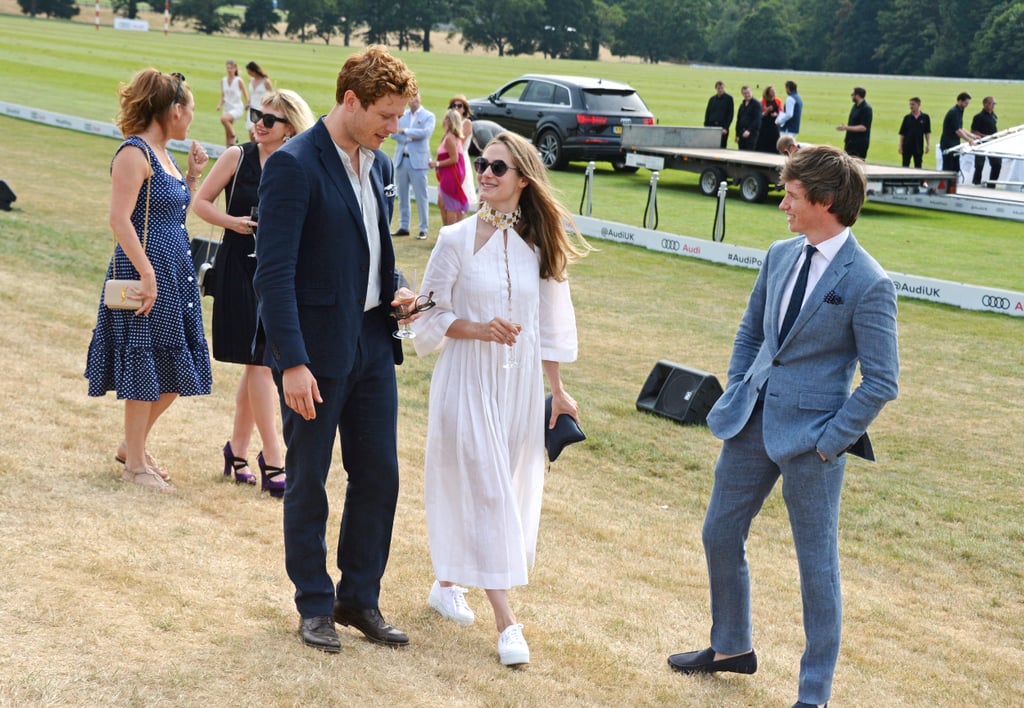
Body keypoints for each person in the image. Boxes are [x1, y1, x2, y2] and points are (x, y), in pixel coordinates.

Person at [667, 144, 900, 708]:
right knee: (719, 533)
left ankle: (814, 694)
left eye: (792, 196)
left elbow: (882, 382)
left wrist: (829, 442)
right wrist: (742, 383)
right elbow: (752, 333)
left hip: (813, 444)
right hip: (751, 423)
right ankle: (731, 648)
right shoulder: (778, 255)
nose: (783, 206)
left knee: (816, 567)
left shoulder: (870, 282)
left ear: (825, 201)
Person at [252, 46, 418, 654]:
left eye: (399, 117)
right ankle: (315, 605)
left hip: (374, 343)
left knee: (379, 476)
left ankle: (359, 598)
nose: (393, 128)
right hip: (314, 357)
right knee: (310, 481)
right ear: (350, 100)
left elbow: (374, 247)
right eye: (386, 115)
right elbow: (272, 274)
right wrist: (291, 361)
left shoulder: (371, 162)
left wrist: (395, 288)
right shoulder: (293, 165)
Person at [412, 131, 588, 666]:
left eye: (497, 167)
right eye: (481, 163)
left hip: (518, 388)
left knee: (503, 489)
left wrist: (557, 392)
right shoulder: (454, 240)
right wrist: (477, 328)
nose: (485, 173)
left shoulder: (539, 245)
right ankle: (507, 622)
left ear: (522, 180)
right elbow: (427, 316)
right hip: (465, 379)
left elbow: (550, 326)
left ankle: (446, 583)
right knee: (488, 488)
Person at [85, 68, 212, 491]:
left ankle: (132, 446)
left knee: (177, 365)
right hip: (147, 271)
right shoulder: (133, 154)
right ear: (174, 110)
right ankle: (135, 464)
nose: (191, 118)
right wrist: (146, 272)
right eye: (190, 110)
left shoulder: (164, 153)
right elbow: (119, 219)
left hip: (172, 271)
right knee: (146, 361)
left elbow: (171, 211)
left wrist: (192, 176)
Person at [192, 90, 316, 496]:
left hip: (279, 273)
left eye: (270, 119)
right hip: (238, 267)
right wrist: (236, 222)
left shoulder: (297, 163)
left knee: (257, 362)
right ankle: (275, 459)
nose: (260, 123)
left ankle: (237, 450)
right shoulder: (237, 156)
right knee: (261, 363)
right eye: (257, 115)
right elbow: (201, 203)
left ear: (291, 129)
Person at [390, 92, 435, 239]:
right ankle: (404, 226)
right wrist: (409, 136)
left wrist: (405, 132)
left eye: (416, 97)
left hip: (418, 162)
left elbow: (425, 133)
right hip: (402, 159)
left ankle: (423, 228)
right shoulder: (403, 115)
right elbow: (393, 133)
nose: (414, 100)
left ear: (420, 98)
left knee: (421, 196)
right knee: (402, 196)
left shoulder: (428, 116)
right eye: (411, 98)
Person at [429, 108, 468, 227]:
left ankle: (449, 232)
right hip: (448, 174)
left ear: (448, 120)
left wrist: (437, 164)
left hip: (451, 174)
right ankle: (449, 231)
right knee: (443, 202)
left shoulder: (450, 138)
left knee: (449, 204)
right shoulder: (450, 136)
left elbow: (454, 158)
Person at [448, 94, 477, 209]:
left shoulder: (467, 123)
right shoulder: (450, 123)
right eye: (454, 105)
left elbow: (459, 141)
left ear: (464, 108)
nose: (456, 108)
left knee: (461, 189)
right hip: (451, 156)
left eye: (459, 106)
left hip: (460, 157)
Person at [939, 92, 974, 178]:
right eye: (966, 103)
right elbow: (957, 130)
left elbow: (960, 127)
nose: (967, 105)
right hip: (948, 144)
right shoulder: (954, 112)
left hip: (954, 143)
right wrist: (969, 140)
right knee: (948, 167)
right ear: (960, 101)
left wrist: (972, 136)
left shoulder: (960, 111)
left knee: (955, 167)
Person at [216, 60, 248, 147]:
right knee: (227, 134)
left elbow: (246, 95)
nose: (229, 70)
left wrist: (247, 105)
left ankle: (234, 135)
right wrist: (219, 105)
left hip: (237, 107)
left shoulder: (239, 81)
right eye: (228, 68)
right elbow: (223, 95)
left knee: (224, 119)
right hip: (227, 108)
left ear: (235, 69)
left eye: (231, 68)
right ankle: (229, 152)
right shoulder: (223, 80)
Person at [970, 96, 1001, 187]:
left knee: (997, 164)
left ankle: (991, 185)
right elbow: (973, 131)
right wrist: (986, 137)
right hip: (981, 143)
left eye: (994, 104)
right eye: (992, 103)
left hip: (993, 143)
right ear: (985, 104)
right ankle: (976, 183)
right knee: (979, 165)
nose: (993, 105)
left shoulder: (994, 115)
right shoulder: (978, 117)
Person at [837, 86, 872, 159]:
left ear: (857, 95)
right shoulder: (855, 106)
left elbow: (863, 127)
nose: (851, 96)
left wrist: (846, 128)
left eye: (852, 94)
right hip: (850, 142)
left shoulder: (866, 109)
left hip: (859, 144)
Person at [898, 97, 931, 168]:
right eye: (910, 104)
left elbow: (927, 132)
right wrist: (900, 145)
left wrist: (928, 144)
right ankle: (905, 179)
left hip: (918, 146)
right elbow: (902, 133)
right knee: (905, 166)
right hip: (907, 146)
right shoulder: (907, 118)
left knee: (918, 166)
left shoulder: (925, 117)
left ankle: (917, 179)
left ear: (918, 105)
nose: (911, 106)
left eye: (913, 104)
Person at [244, 61, 273, 142]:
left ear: (254, 70)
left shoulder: (266, 81)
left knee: (257, 132)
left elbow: (272, 95)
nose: (249, 74)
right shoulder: (251, 80)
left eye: (250, 72)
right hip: (252, 109)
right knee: (251, 132)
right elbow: (252, 94)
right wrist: (248, 103)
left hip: (261, 109)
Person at [704, 81, 734, 149]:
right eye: (718, 88)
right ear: (716, 88)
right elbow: (708, 113)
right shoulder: (712, 99)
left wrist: (726, 127)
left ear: (724, 88)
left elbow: (730, 114)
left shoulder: (729, 99)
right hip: (712, 126)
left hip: (722, 127)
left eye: (722, 88)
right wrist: (706, 126)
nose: (720, 90)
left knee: (722, 147)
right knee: (710, 146)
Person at [756, 85, 782, 154]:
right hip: (764, 126)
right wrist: (766, 111)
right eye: (771, 91)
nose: (773, 92)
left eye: (774, 91)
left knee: (775, 142)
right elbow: (759, 115)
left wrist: (777, 114)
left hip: (774, 126)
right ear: (767, 92)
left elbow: (781, 112)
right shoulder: (762, 101)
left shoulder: (778, 101)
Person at [735, 85, 760, 151]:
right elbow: (738, 120)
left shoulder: (756, 104)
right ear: (742, 94)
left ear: (751, 92)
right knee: (741, 152)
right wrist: (737, 135)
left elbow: (757, 120)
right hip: (741, 133)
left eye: (748, 92)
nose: (747, 95)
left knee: (749, 153)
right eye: (745, 93)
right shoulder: (742, 105)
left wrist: (749, 130)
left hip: (751, 134)